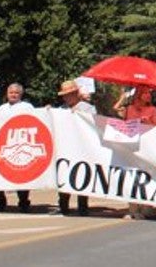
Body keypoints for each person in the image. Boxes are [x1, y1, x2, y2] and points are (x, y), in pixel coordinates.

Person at [0, 83, 34, 212]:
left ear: (20, 94)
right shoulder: (2, 108)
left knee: (21, 175)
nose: (13, 95)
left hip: (21, 145)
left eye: (16, 93)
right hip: (4, 146)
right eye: (11, 93)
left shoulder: (27, 107)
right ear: (7, 94)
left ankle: (24, 202)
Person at [54, 80, 95, 216]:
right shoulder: (61, 110)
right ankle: (63, 205)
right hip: (65, 147)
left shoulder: (87, 108)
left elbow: (93, 124)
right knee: (64, 175)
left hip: (82, 147)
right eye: (65, 95)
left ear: (77, 93)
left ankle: (82, 206)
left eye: (70, 94)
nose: (67, 97)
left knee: (82, 175)